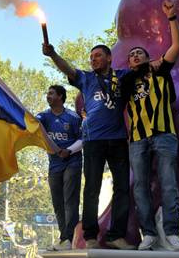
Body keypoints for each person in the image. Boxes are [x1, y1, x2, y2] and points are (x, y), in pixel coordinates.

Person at [42, 42, 134, 250]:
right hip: (92, 141)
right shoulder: (86, 79)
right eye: (91, 56)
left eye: (98, 55)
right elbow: (68, 69)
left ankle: (116, 235)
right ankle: (91, 235)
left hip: (118, 139)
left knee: (122, 187)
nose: (93, 59)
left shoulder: (122, 76)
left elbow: (145, 68)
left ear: (109, 58)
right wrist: (53, 54)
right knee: (92, 188)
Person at [123, 0, 179, 251]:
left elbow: (177, 46)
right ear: (128, 64)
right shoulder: (126, 82)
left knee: (169, 182)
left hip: (164, 134)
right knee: (140, 186)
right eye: (131, 55)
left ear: (148, 58)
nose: (135, 55)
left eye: (139, 53)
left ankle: (171, 232)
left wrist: (172, 17)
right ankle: (148, 232)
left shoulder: (159, 71)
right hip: (137, 139)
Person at [36, 85, 82, 251]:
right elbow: (30, 123)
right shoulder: (43, 117)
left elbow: (83, 139)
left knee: (70, 200)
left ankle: (70, 237)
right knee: (58, 203)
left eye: (51, 93)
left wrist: (68, 151)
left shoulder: (73, 117)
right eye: (47, 93)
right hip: (54, 164)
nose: (47, 96)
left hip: (72, 162)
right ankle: (64, 237)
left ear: (60, 96)